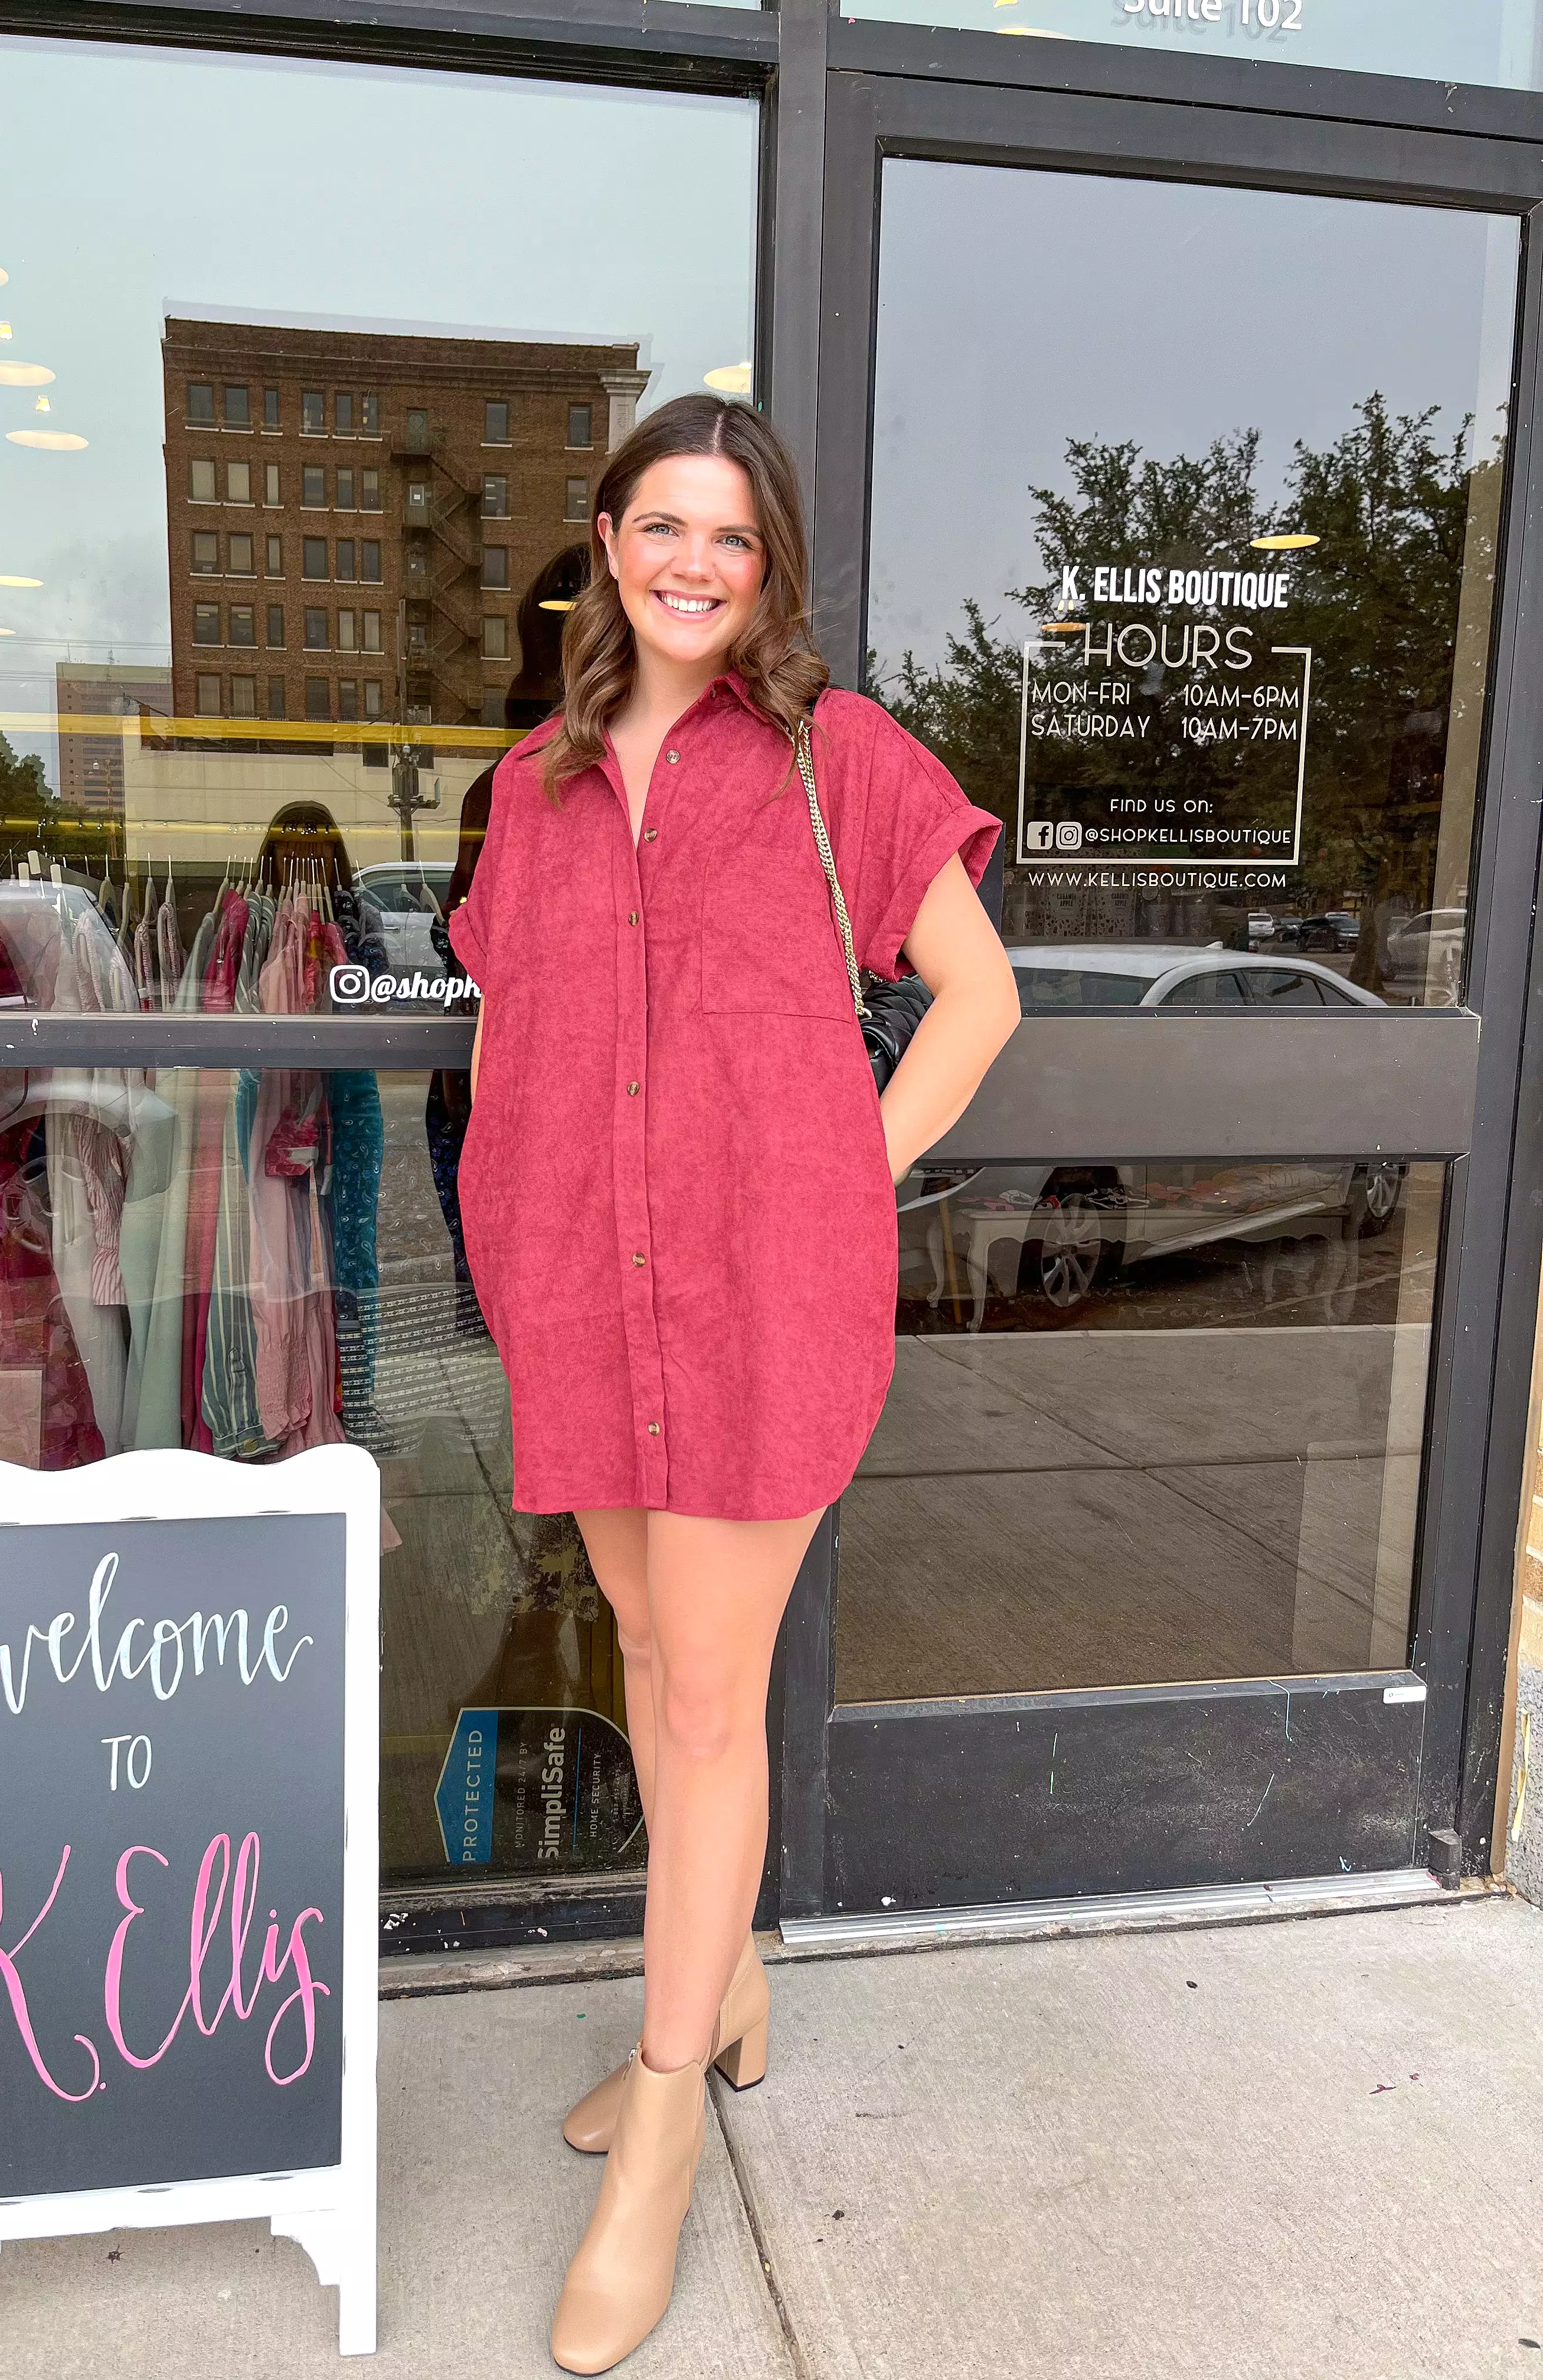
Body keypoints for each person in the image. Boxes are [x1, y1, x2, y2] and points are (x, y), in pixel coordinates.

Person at [446, 393, 1018, 2374]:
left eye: (732, 537)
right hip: (589, 1301)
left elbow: (982, 996)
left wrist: (838, 1176)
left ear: (767, 568)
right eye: (661, 525)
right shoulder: (531, 787)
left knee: (705, 1705)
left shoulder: (831, 760)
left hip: (764, 1305)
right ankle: (738, 1979)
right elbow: (530, 1036)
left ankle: (665, 2123)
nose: (694, 564)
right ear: (608, 541)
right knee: (641, 1642)